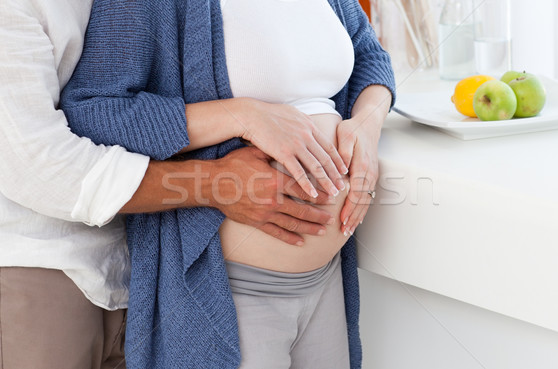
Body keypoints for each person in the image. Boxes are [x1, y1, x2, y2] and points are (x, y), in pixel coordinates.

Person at [0, 1, 342, 368]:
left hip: (135, 257)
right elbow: (40, 163)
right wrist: (214, 177)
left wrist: (365, 129)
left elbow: (365, 53)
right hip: (45, 262)